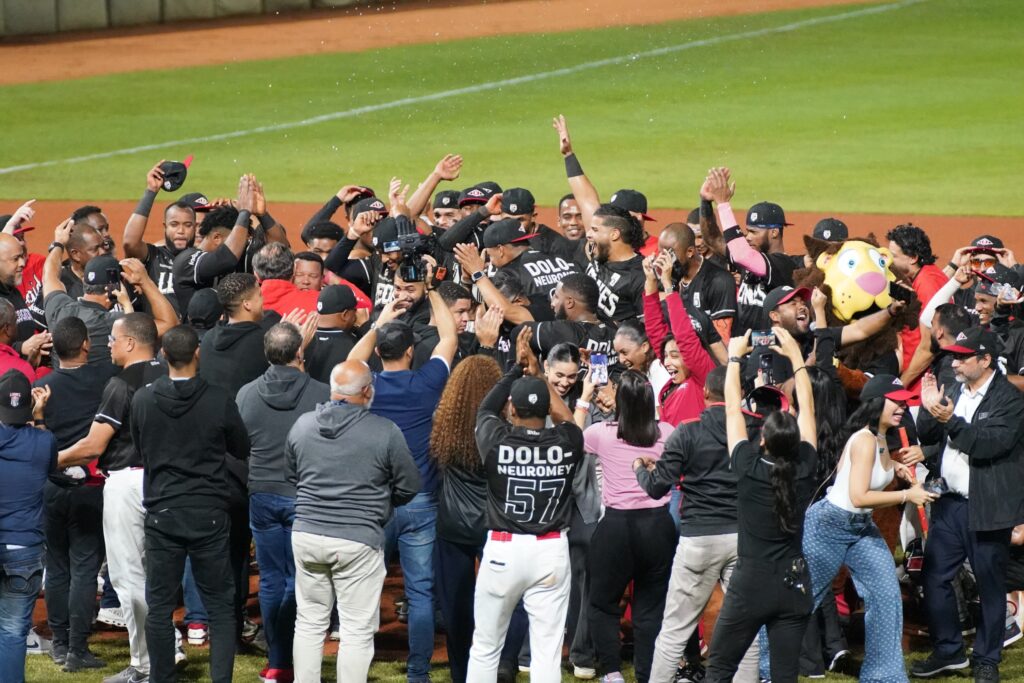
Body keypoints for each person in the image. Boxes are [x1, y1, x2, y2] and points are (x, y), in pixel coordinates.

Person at [347, 278, 458, 683]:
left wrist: (379, 320)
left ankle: (355, 668)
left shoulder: (365, 385)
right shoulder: (428, 383)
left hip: (374, 505)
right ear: (411, 351)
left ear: (379, 351)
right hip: (421, 503)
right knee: (421, 593)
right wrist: (429, 289)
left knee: (361, 591)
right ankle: (418, 673)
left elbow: (352, 358)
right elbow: (448, 334)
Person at [285, 360, 421, 683]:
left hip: (307, 534)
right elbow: (410, 486)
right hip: (358, 540)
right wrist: (381, 507)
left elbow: (292, 476)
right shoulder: (384, 431)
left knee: (308, 622)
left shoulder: (302, 425)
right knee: (357, 630)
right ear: (366, 391)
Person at [57, 313, 173, 683]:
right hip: (168, 483)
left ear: (130, 343)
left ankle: (146, 663)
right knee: (159, 572)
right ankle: (167, 647)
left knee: (128, 576)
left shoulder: (121, 384)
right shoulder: (172, 374)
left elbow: (93, 445)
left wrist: (48, 457)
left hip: (128, 484)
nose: (107, 344)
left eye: (113, 338)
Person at [131, 325, 250, 683]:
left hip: (163, 513)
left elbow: (140, 449)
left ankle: (162, 678)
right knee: (220, 606)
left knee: (161, 606)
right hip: (208, 514)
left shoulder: (143, 399)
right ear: (197, 352)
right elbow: (240, 448)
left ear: (163, 355)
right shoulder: (218, 398)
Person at [803, 375, 937, 683]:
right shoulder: (864, 439)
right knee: (801, 601)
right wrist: (907, 494)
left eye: (904, 400)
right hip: (830, 526)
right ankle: (764, 667)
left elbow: (860, 477)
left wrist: (895, 468)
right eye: (896, 400)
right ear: (876, 402)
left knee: (887, 594)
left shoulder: (880, 436)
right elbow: (858, 495)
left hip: (861, 527)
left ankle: (884, 676)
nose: (902, 406)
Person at [466, 336, 584, 683]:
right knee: (546, 653)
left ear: (512, 410)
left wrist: (515, 370)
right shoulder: (567, 441)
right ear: (546, 408)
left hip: (503, 551)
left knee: (486, 646)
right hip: (551, 552)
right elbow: (566, 419)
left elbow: (486, 410)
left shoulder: (496, 438)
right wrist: (539, 376)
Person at [634, 366, 758, 683]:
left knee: (675, 629)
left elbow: (656, 487)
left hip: (699, 538)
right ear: (740, 394)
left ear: (704, 393)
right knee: (746, 630)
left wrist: (640, 468)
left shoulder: (687, 431)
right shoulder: (754, 429)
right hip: (743, 537)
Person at [707, 327, 818, 683]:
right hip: (794, 584)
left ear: (764, 441)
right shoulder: (804, 467)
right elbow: (809, 410)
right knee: (786, 676)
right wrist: (797, 358)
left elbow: (731, 411)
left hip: (751, 585)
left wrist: (735, 357)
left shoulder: (748, 467)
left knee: (720, 668)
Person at [913, 327, 1024, 683]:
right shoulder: (955, 388)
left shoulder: (1010, 399)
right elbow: (929, 436)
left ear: (986, 360)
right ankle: (949, 650)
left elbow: (991, 444)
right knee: (934, 578)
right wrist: (929, 410)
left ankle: (986, 659)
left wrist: (952, 421)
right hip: (949, 504)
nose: (955, 362)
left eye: (963, 357)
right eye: (955, 356)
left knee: (990, 585)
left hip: (988, 507)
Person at [237, 323, 330, 683]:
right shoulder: (321, 393)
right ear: (300, 353)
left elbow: (240, 443)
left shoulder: (246, 394)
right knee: (300, 580)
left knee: (273, 579)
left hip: (261, 493)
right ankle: (296, 659)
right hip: (304, 495)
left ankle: (278, 661)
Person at [34, 318, 117, 671]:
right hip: (90, 488)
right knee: (85, 567)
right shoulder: (105, 379)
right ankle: (77, 650)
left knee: (56, 566)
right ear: (86, 345)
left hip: (52, 486)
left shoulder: (42, 385)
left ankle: (62, 643)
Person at [582, 370, 675, 683]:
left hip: (617, 529)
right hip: (658, 528)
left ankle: (611, 673)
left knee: (603, 603)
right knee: (651, 607)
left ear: (619, 403)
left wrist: (584, 399)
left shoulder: (602, 433)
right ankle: (647, 675)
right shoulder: (669, 431)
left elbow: (571, 432)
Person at [430, 354, 504, 683]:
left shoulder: (446, 423)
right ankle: (499, 669)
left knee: (456, 609)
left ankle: (462, 674)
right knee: (501, 604)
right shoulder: (502, 425)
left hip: (453, 525)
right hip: (495, 525)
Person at [0, 369, 54, 683]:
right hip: (24, 549)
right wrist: (40, 414)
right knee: (11, 633)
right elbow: (46, 452)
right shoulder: (43, 441)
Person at [702, 167, 797, 334]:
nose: (748, 237)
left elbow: (742, 254)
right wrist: (705, 202)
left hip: (768, 352)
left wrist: (723, 205)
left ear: (774, 232)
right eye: (747, 231)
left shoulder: (783, 265)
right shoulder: (748, 260)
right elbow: (713, 239)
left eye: (754, 232)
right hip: (741, 351)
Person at [122, 162, 199, 312]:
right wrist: (151, 191)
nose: (181, 231)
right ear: (165, 227)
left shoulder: (201, 259)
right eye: (174, 224)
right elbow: (130, 243)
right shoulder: (155, 256)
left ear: (195, 228)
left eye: (188, 225)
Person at [199, 272, 279, 397]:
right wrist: (284, 340)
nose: (263, 300)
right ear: (247, 304)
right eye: (259, 295)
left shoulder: (208, 337)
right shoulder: (262, 342)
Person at [303, 285, 360, 384]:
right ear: (345, 315)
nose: (356, 316)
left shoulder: (300, 339)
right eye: (354, 311)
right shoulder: (354, 345)